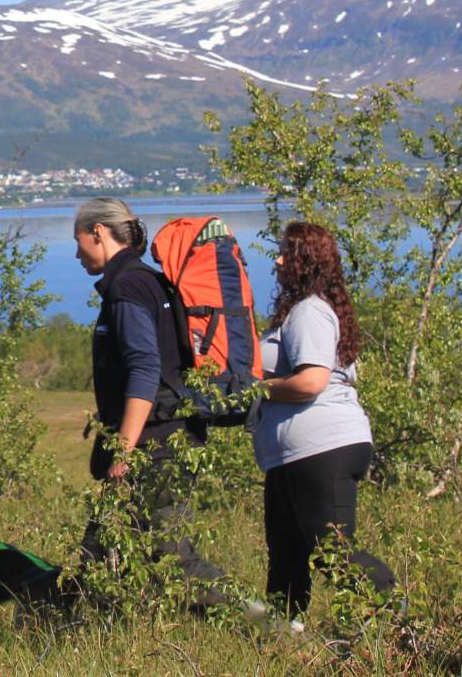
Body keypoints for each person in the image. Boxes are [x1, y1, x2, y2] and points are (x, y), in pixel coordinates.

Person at [74, 196, 238, 609]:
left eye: (78, 241)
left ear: (98, 232)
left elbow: (146, 369)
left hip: (158, 444)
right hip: (161, 438)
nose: (76, 253)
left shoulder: (128, 285)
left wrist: (123, 451)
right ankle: (81, 639)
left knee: (173, 559)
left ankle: (268, 628)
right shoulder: (145, 280)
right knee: (99, 553)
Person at [254, 221, 396, 623]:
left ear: (304, 261)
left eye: (285, 252)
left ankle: (397, 612)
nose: (278, 259)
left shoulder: (310, 311)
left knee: (332, 554)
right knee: (287, 552)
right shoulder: (303, 311)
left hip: (322, 447)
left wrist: (256, 391)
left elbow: (312, 380)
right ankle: (284, 635)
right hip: (293, 453)